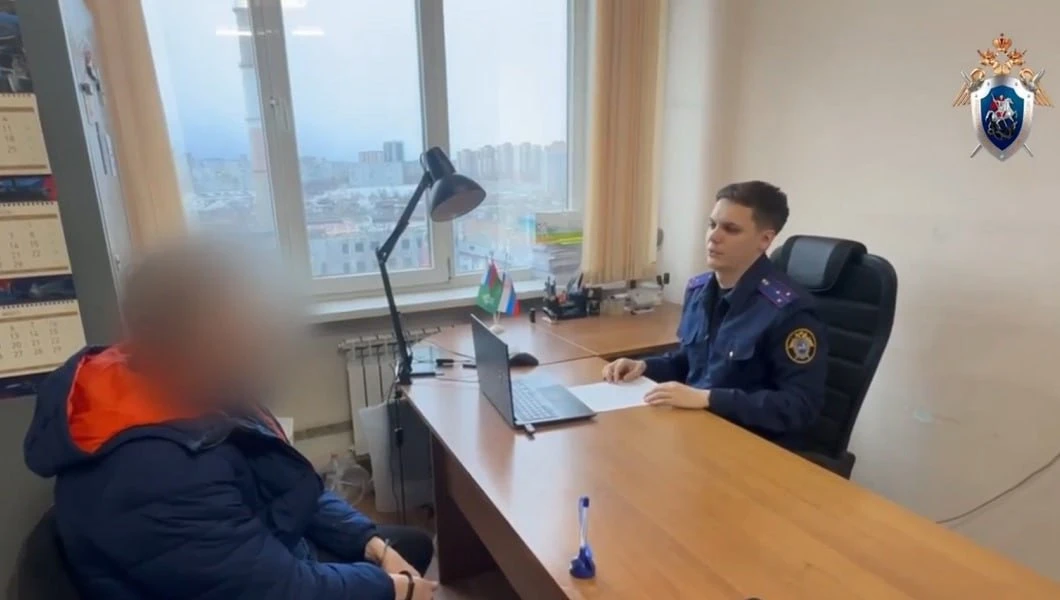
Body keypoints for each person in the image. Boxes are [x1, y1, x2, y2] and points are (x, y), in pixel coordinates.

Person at [23, 240, 437, 600]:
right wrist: (393, 589)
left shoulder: (193, 383)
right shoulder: (155, 472)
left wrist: (371, 543)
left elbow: (288, 482)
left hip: (257, 554)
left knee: (406, 547)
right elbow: (284, 591)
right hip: (259, 581)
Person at [603, 181, 828, 449]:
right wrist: (644, 367)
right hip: (696, 430)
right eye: (712, 225)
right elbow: (693, 361)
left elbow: (801, 406)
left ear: (765, 240)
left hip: (748, 445)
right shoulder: (699, 290)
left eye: (731, 229)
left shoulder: (788, 311)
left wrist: (709, 398)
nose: (714, 237)